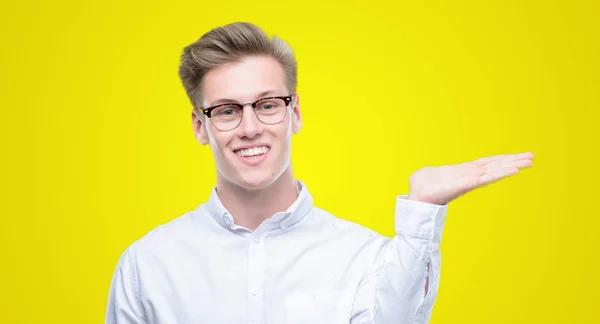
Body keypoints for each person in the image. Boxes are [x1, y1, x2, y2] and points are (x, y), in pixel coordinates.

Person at [105, 22, 533, 324]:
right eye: (228, 110)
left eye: (268, 104)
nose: (251, 127)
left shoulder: (364, 257)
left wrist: (423, 210)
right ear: (201, 126)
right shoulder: (148, 264)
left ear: (295, 113)